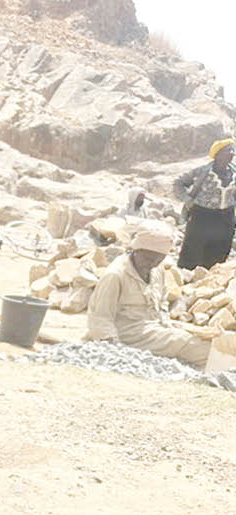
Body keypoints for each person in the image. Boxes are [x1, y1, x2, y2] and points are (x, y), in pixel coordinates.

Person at [85, 222, 211, 367]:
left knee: (205, 338)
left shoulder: (157, 269)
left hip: (154, 328)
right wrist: (114, 348)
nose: (152, 264)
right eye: (148, 258)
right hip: (129, 334)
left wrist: (166, 322)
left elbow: (162, 301)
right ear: (136, 250)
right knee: (191, 345)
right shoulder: (115, 275)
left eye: (159, 259)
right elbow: (100, 317)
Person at [174, 138, 235, 270]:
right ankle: (186, 278)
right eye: (227, 150)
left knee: (221, 248)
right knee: (194, 247)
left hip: (226, 217)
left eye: (232, 150)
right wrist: (187, 200)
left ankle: (211, 279)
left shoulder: (234, 172)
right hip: (202, 215)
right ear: (217, 154)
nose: (232, 153)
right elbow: (178, 183)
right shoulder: (202, 171)